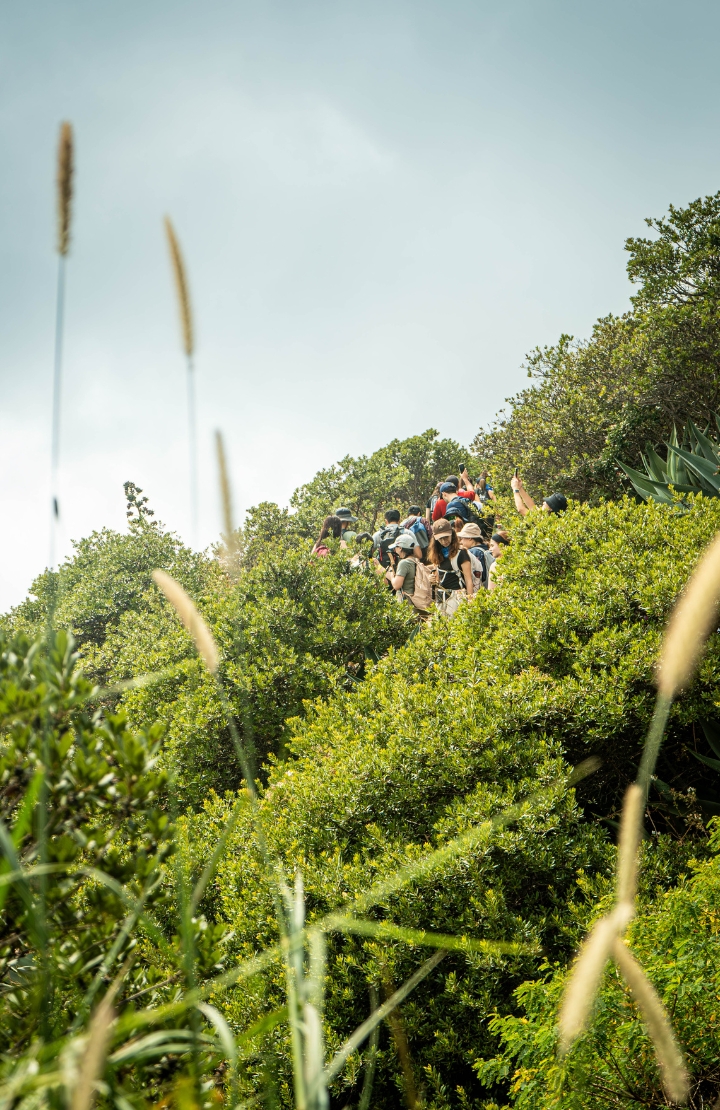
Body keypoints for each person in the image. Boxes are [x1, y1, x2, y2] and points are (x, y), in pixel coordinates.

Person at [426, 517, 474, 616]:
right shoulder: (437, 553)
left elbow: (468, 580)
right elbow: (438, 578)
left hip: (457, 597)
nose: (444, 541)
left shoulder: (461, 553)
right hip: (441, 597)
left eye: (446, 537)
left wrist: (470, 601)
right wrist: (431, 579)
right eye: (440, 538)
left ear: (452, 534)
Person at [384, 532, 433, 617]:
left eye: (396, 547)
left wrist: (391, 574)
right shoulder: (415, 560)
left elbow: (396, 585)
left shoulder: (404, 563)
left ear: (400, 548)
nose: (395, 550)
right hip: (416, 602)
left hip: (407, 603)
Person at [457, 522, 493, 591]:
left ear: (470, 538)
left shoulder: (473, 552)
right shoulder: (486, 548)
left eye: (462, 538)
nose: (461, 541)